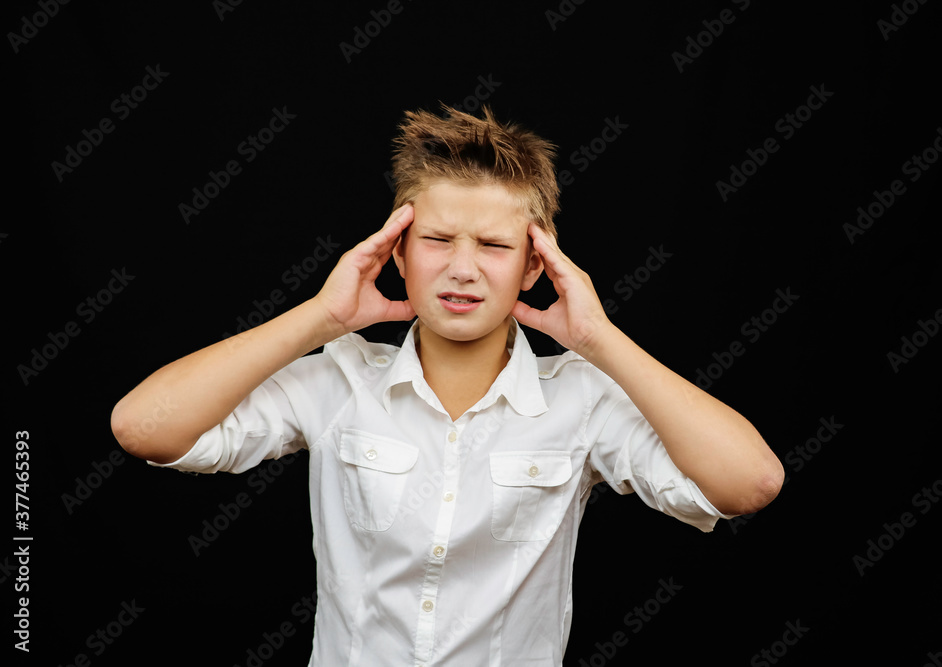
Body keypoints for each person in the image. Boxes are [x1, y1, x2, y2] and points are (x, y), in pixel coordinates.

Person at [111, 105, 784, 665]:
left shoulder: (581, 399)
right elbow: (143, 427)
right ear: (398, 253)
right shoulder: (339, 379)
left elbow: (749, 483)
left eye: (493, 246)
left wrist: (599, 340)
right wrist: (321, 317)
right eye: (437, 239)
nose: (463, 269)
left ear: (534, 265)